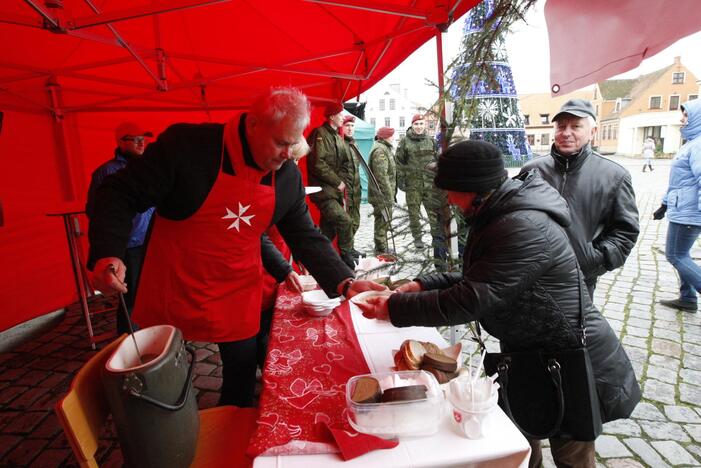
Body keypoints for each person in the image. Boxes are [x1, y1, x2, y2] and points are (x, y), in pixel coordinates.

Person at [88, 87, 384, 407]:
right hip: (174, 282)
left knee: (241, 371)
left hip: (236, 288)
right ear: (253, 124)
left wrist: (346, 282)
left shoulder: (284, 176)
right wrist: (108, 252)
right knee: (162, 374)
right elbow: (118, 194)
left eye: (293, 144)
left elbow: (305, 234)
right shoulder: (187, 147)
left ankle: (233, 417)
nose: (288, 155)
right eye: (281, 143)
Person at [357, 140, 640, 468]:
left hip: (569, 358)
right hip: (528, 353)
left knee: (572, 456)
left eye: (452, 190)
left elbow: (472, 298)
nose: (448, 199)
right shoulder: (500, 213)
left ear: (474, 189)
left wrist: (393, 309)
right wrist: (419, 285)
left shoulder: (523, 225)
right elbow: (480, 277)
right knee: (519, 442)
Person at [519, 99, 639, 298]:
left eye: (576, 126)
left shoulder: (615, 176)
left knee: (574, 329)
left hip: (578, 282)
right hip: (531, 277)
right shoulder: (532, 170)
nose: (566, 133)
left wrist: (594, 260)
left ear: (592, 132)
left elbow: (626, 231)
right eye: (561, 126)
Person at [86, 122, 155, 335]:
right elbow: (97, 211)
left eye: (143, 138)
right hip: (128, 243)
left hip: (151, 240)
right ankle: (129, 340)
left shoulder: (149, 167)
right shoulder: (106, 172)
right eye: (135, 139)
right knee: (131, 295)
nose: (141, 142)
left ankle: (153, 334)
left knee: (150, 291)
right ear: (120, 142)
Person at [653, 99, 701, 312]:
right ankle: (688, 297)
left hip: (689, 213)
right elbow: (679, 181)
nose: (682, 120)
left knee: (676, 255)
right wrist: (664, 204)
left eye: (686, 116)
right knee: (684, 254)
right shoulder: (692, 143)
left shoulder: (699, 145)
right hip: (682, 208)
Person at [307, 103, 356, 268]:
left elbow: (345, 164)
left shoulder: (337, 137)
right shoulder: (319, 134)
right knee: (344, 221)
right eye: (340, 114)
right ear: (331, 116)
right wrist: (338, 181)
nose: (343, 117)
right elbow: (317, 164)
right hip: (323, 192)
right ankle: (346, 257)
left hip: (333, 192)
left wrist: (342, 182)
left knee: (328, 231)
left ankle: (320, 262)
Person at [395, 114, 439, 250]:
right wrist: (401, 180)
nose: (419, 127)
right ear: (412, 125)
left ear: (424, 125)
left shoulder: (431, 141)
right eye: (416, 124)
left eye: (421, 124)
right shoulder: (405, 142)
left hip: (429, 184)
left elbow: (437, 160)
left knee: (433, 214)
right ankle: (418, 239)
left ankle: (436, 238)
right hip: (413, 184)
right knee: (414, 214)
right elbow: (399, 162)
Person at [368, 126, 397, 254]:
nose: (393, 138)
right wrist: (388, 196)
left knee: (384, 220)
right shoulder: (380, 150)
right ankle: (381, 248)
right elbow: (381, 177)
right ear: (385, 137)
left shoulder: (385, 148)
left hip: (384, 193)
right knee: (382, 220)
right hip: (382, 195)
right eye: (391, 136)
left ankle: (382, 245)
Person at [341, 115, 363, 258]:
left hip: (355, 189)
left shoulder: (354, 145)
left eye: (352, 126)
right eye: (347, 125)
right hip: (346, 190)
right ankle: (346, 251)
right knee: (347, 222)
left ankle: (351, 247)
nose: (350, 129)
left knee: (355, 221)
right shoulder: (340, 144)